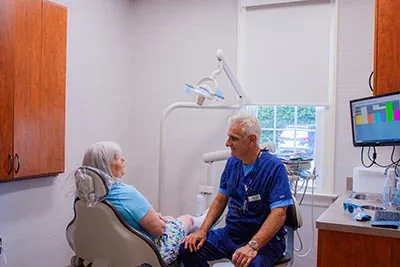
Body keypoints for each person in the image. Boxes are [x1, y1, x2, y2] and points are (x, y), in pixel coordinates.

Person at [179, 112, 294, 267]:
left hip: (266, 241)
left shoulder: (274, 167)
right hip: (233, 234)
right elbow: (221, 199)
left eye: (234, 138)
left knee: (250, 264)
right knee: (188, 249)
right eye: (229, 137)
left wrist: (253, 245)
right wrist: (202, 231)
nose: (227, 143)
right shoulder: (233, 163)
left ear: (252, 140)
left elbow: (279, 214)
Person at [81, 141, 205, 265]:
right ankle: (202, 221)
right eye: (117, 158)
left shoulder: (84, 196)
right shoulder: (124, 193)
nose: (123, 160)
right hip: (142, 257)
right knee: (187, 219)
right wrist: (161, 222)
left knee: (167, 219)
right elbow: (159, 230)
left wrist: (156, 218)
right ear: (106, 165)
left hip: (105, 253)